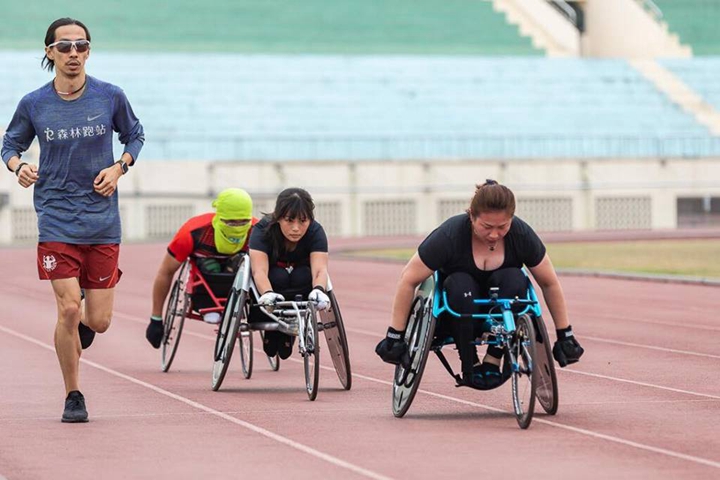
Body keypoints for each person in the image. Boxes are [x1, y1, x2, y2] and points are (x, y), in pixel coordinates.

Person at [1, 18, 144, 422]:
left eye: (81, 46)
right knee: (67, 310)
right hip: (56, 219)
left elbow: (134, 135)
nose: (73, 54)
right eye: (64, 47)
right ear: (49, 52)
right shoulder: (34, 103)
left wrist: (119, 168)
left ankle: (85, 318)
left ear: (88, 51)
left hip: (101, 222)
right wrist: (18, 166)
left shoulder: (110, 96)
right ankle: (73, 395)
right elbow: (10, 143)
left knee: (97, 320)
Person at [375, 180, 584, 389]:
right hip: (457, 309)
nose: (494, 234)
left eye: (503, 227)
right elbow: (408, 279)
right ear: (472, 218)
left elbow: (549, 283)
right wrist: (395, 335)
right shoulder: (450, 235)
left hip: (504, 308)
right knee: (460, 285)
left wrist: (565, 334)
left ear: (512, 219)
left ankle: (494, 358)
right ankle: (469, 361)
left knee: (515, 279)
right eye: (487, 227)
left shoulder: (520, 235)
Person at [145, 188, 256, 347]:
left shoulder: (258, 231)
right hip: (205, 278)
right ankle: (208, 305)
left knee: (245, 261)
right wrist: (156, 319)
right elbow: (166, 272)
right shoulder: (192, 233)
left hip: (239, 275)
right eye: (231, 222)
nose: (237, 227)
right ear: (219, 217)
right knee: (209, 266)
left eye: (243, 222)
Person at [248, 188, 331, 359]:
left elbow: (320, 269)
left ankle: (289, 330)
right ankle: (273, 329)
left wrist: (319, 290)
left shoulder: (316, 231)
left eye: (303, 221)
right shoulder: (262, 229)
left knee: (301, 274)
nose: (296, 228)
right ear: (278, 217)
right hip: (271, 284)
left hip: (301, 287)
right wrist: (268, 294)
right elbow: (259, 270)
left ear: (310, 219)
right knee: (279, 275)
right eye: (289, 220)